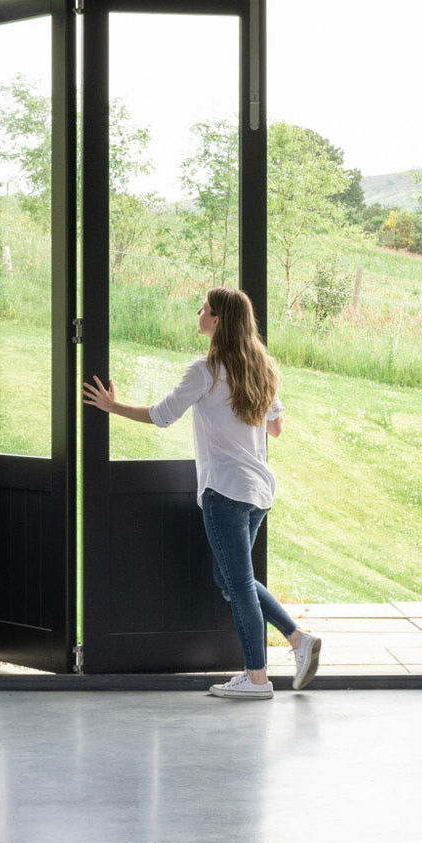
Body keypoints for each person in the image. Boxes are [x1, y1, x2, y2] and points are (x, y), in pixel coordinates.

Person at [80, 287, 323, 700]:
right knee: (229, 579)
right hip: (257, 492)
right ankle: (298, 639)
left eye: (205, 309)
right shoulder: (260, 367)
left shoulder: (205, 371)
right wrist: (239, 416)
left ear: (218, 321)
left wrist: (111, 407)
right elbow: (276, 428)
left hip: (224, 490)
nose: (199, 312)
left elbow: (161, 416)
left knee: (238, 583)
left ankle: (257, 678)